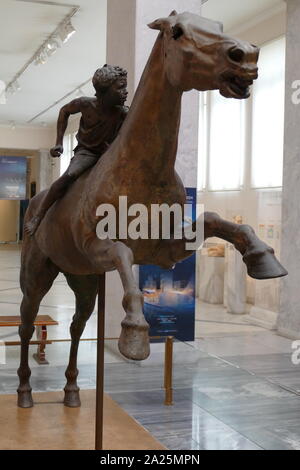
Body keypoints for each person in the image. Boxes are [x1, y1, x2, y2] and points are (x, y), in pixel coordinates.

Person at [25, 64, 129, 235]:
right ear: (104, 91)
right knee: (67, 177)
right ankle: (38, 216)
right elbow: (64, 111)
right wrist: (59, 141)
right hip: (87, 153)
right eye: (120, 88)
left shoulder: (123, 113)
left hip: (109, 154)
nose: (125, 91)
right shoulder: (85, 104)